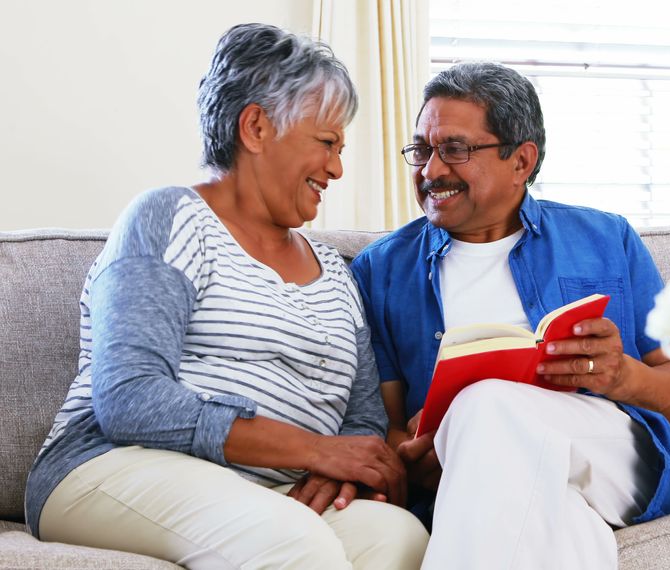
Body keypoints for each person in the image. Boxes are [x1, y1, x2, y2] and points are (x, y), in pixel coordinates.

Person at [24, 23, 428, 569]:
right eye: (327, 142)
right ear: (257, 127)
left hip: (268, 491)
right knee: (291, 543)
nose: (336, 168)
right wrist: (313, 449)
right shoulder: (171, 218)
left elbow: (361, 421)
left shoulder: (335, 271)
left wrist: (340, 465)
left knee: (397, 539)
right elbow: (129, 397)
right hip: (113, 465)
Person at [351, 62, 670, 569]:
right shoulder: (381, 270)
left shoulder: (606, 239)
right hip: (482, 475)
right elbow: (382, 427)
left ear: (521, 161)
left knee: (484, 405)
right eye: (422, 149)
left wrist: (622, 374)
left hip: (616, 460)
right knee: (556, 516)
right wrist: (417, 451)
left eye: (455, 149)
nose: (430, 170)